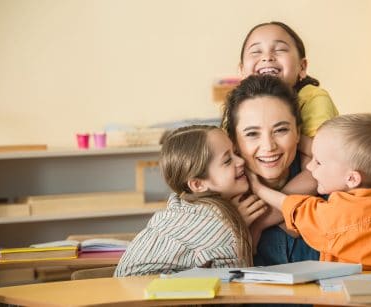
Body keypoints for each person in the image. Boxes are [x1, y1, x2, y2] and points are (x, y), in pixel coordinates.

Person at [247, 113, 371, 271]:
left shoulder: (340, 218)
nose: (310, 166)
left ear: (352, 179)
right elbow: (334, 153)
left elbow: (295, 208)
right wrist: (293, 138)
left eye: (319, 162)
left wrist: (258, 188)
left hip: (358, 295)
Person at [114, 125, 261, 276]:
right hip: (147, 294)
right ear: (198, 184)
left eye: (236, 152)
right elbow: (235, 288)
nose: (241, 161)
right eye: (228, 160)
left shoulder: (182, 204)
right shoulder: (221, 227)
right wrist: (235, 225)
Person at [222, 74, 319, 266]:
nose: (268, 146)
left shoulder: (332, 184)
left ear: (298, 133)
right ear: (233, 140)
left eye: (281, 130)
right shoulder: (221, 200)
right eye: (252, 134)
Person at [236, 21, 339, 195]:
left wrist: (269, 213)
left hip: (306, 193)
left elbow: (318, 168)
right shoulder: (239, 105)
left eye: (280, 50)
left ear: (302, 66)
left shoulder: (313, 98)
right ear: (241, 70)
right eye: (256, 51)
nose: (267, 57)